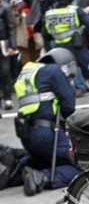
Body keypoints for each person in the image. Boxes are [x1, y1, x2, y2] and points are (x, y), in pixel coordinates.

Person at [13, 47, 79, 196]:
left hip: (27, 134)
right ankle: (42, 178)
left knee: (44, 158)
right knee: (80, 164)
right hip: (47, 134)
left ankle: (19, 169)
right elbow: (69, 106)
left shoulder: (30, 71)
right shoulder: (55, 71)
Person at [42, 0, 89, 104]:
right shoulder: (75, 10)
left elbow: (45, 35)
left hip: (57, 51)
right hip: (76, 48)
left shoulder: (49, 14)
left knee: (57, 80)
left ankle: (61, 108)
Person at [0, 0, 17, 110]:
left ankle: (7, 97)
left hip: (3, 43)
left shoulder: (5, 7)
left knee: (5, 71)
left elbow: (11, 27)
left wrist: (12, 46)